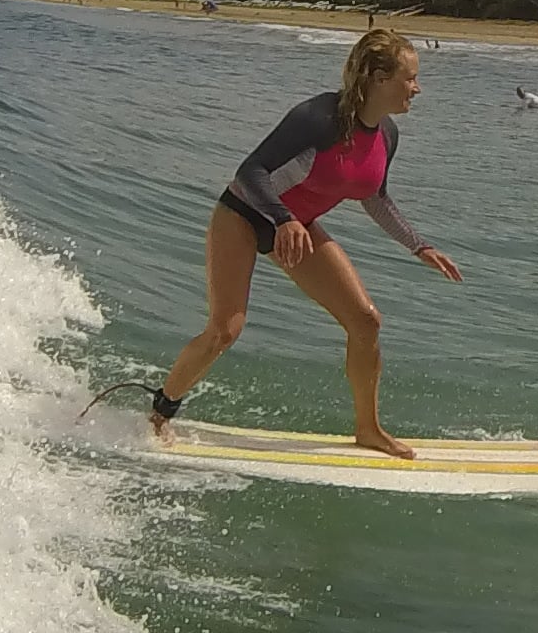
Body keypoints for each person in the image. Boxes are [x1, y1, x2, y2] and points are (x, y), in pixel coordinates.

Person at [152, 26, 461, 458]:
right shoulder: (318, 119)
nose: (417, 87)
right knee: (226, 329)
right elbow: (250, 172)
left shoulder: (386, 136)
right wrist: (282, 219)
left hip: (296, 226)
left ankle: (368, 430)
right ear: (376, 77)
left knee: (366, 321)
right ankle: (160, 414)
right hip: (243, 217)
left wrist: (418, 245)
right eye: (409, 78)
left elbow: (375, 196)